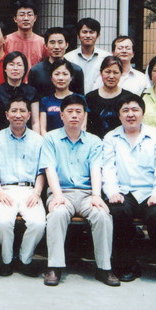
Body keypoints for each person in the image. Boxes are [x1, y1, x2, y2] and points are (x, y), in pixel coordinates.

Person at [40, 95, 119, 287]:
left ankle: (104, 267)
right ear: (61, 115)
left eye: (78, 112)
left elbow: (96, 169)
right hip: (61, 192)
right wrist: (57, 195)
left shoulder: (94, 141)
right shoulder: (50, 138)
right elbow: (49, 169)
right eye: (70, 111)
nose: (74, 115)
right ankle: (54, 266)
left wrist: (96, 196)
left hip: (87, 194)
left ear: (84, 115)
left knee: (102, 215)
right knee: (57, 213)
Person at [102, 93, 156, 284]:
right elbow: (108, 169)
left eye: (135, 110)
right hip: (124, 192)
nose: (130, 114)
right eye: (125, 110)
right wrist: (112, 192)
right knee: (117, 212)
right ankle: (128, 265)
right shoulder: (111, 137)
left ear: (143, 113)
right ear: (119, 115)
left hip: (152, 192)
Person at [0, 97, 45, 277]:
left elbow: (41, 172)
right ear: (7, 115)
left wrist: (37, 193)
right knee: (3, 222)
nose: (18, 115)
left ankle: (24, 259)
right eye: (14, 111)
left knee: (38, 223)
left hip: (30, 190)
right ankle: (7, 260)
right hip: (5, 190)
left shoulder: (39, 140)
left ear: (29, 115)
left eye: (22, 111)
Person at [0, 51, 40, 135]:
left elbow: (35, 122)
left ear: (24, 70)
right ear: (5, 69)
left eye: (19, 65)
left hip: (26, 136)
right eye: (11, 64)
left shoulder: (32, 91)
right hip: (2, 137)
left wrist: (36, 140)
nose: (15, 68)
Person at [29, 27, 85, 98]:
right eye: (52, 42)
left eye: (60, 42)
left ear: (66, 45)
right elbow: (32, 99)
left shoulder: (76, 70)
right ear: (46, 46)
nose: (56, 47)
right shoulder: (36, 71)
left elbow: (81, 99)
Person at [85, 56, 132, 139]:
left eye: (115, 72)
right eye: (107, 72)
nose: (111, 76)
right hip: (95, 144)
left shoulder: (128, 97)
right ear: (101, 73)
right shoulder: (89, 97)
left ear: (121, 74)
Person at [39, 59, 87, 135]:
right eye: (57, 74)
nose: (61, 78)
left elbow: (83, 126)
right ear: (51, 78)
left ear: (71, 77)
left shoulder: (80, 99)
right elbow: (42, 129)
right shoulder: (45, 101)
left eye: (65, 74)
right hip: (51, 141)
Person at [65, 17, 111, 93]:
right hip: (74, 99)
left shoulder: (106, 57)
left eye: (91, 32)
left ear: (98, 35)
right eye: (84, 32)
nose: (88, 35)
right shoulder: (68, 58)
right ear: (78, 35)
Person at [4, 0, 47, 70]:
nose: (26, 18)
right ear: (15, 18)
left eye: (29, 15)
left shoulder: (42, 43)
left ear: (35, 18)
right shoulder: (6, 41)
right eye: (22, 15)